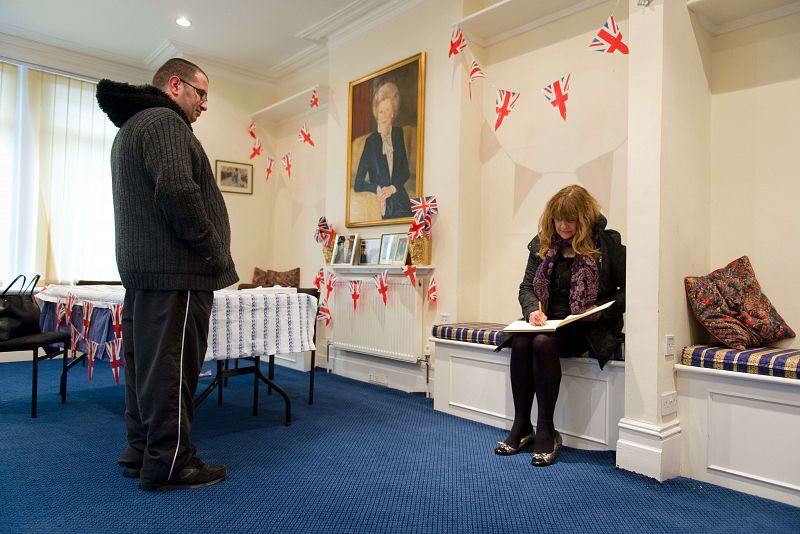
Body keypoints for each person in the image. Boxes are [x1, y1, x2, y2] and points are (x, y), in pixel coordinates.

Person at [96, 58, 239, 491]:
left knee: (146, 369)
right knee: (171, 371)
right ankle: (172, 462)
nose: (205, 104)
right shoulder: (165, 122)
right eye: (201, 93)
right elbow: (177, 190)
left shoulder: (132, 128)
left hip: (147, 273)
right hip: (177, 271)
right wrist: (214, 250)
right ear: (175, 85)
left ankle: (143, 451)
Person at [494, 185, 625, 466]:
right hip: (548, 322)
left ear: (585, 219)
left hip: (586, 327)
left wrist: (600, 313)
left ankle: (546, 431)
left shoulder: (606, 244)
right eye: (558, 219)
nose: (563, 226)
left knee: (541, 343)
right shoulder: (542, 244)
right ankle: (521, 426)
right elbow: (527, 287)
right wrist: (532, 311)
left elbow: (626, 290)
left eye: (571, 220)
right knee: (521, 340)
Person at [353, 81, 413, 219]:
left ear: (393, 113)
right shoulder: (370, 142)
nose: (384, 115)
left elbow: (405, 171)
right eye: (381, 111)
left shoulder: (398, 134)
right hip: (384, 202)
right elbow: (358, 184)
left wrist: (392, 188)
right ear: (376, 115)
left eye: (387, 110)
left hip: (400, 197)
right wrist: (377, 189)